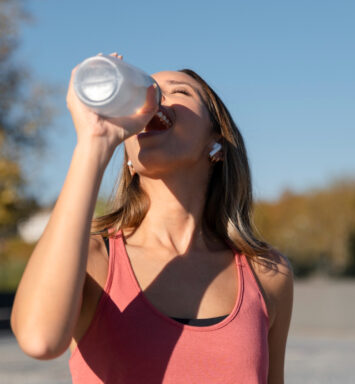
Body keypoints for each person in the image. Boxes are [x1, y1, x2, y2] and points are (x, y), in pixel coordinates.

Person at [10, 53, 294, 383]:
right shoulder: (93, 261)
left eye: (179, 91)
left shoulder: (266, 272)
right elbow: (39, 340)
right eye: (148, 90)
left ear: (215, 141)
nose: (154, 99)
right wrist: (95, 143)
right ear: (129, 159)